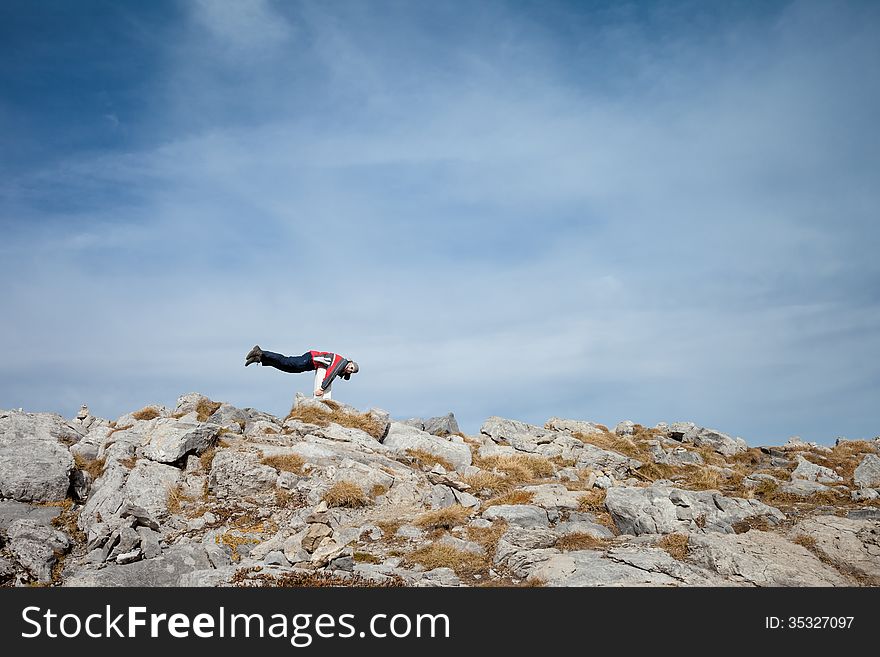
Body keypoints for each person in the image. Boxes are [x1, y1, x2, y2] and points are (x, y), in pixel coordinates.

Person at [244, 345, 358, 399]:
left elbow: (337, 373)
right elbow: (331, 374)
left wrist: (345, 375)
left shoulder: (342, 367)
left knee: (287, 368)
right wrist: (322, 389)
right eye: (351, 367)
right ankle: (261, 352)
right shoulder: (342, 362)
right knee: (286, 361)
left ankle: (260, 358)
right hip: (310, 359)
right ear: (350, 362)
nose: (349, 369)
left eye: (351, 371)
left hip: (310, 364)